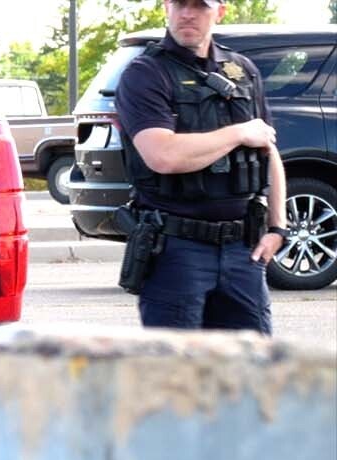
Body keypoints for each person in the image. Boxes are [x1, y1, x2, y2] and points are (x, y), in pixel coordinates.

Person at [114, 0, 286, 334]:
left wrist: (278, 229)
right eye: (179, 4)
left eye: (199, 5)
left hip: (243, 251)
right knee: (180, 378)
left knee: (251, 373)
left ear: (220, 12)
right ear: (167, 8)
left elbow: (268, 149)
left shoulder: (242, 71)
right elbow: (162, 155)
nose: (187, 13)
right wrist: (238, 133)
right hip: (177, 252)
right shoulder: (146, 73)